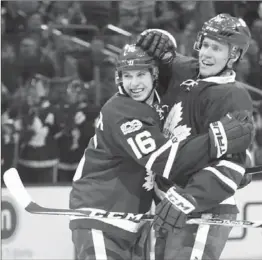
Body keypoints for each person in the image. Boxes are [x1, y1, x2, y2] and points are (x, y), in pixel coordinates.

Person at [69, 43, 253, 260]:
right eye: (127, 76)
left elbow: (185, 142)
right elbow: (167, 160)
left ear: (154, 74)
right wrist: (218, 139)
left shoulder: (157, 105)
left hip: (136, 223)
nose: (134, 83)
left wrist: (238, 161)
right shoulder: (123, 111)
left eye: (140, 75)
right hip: (102, 216)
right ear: (119, 79)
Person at [136, 13, 254, 259]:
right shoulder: (190, 71)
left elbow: (229, 165)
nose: (206, 53)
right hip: (167, 202)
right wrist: (159, 43)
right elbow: (161, 53)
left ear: (233, 56)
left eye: (217, 48)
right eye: (206, 44)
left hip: (202, 208)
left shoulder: (232, 96)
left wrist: (190, 197)